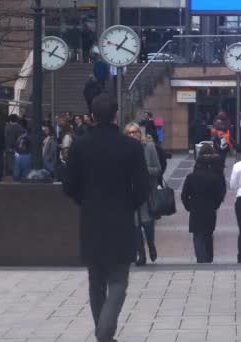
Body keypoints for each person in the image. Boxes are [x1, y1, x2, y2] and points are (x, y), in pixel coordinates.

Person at [62, 94, 151, 342]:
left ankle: (102, 330)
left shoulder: (80, 145)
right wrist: (129, 203)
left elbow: (68, 185)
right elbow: (143, 187)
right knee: (119, 279)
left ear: (91, 116)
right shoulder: (131, 146)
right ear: (115, 116)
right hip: (121, 219)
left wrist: (85, 201)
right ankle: (104, 332)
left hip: (91, 219)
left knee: (96, 279)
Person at [124, 123, 162, 266]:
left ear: (141, 134)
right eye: (129, 133)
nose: (133, 135)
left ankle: (151, 244)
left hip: (146, 191)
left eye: (135, 132)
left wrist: (145, 170)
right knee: (135, 225)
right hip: (131, 193)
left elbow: (158, 169)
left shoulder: (149, 147)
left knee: (147, 224)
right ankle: (141, 254)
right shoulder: (124, 150)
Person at [181, 144, 226, 263]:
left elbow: (184, 195)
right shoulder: (215, 177)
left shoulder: (191, 177)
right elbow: (220, 194)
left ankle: (201, 260)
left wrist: (189, 206)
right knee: (208, 234)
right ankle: (209, 259)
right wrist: (215, 205)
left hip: (195, 208)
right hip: (210, 208)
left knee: (198, 235)